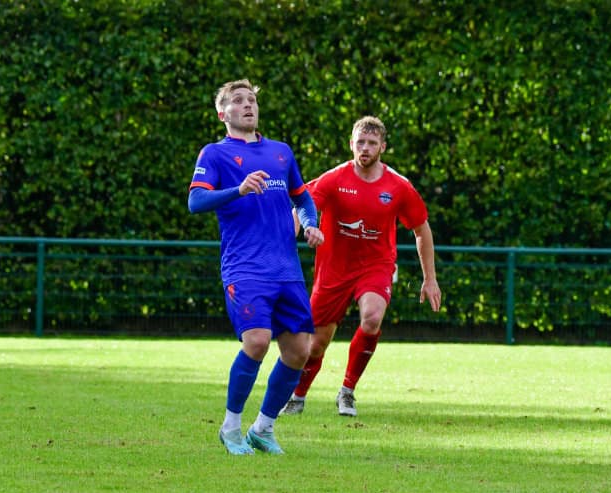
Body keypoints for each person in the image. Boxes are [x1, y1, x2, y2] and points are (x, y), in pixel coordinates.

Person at [188, 79, 325, 455]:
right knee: (258, 341)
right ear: (223, 113)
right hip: (244, 267)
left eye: (251, 99)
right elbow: (196, 202)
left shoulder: (281, 152)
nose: (247, 105)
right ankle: (230, 427)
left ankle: (263, 428)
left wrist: (310, 225)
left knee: (299, 351)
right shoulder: (214, 154)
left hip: (286, 269)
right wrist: (239, 189)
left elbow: (302, 198)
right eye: (237, 100)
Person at [281, 116, 441, 417]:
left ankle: (347, 391)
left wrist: (429, 279)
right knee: (315, 346)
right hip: (333, 270)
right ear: (351, 144)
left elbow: (422, 229)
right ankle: (298, 396)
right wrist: (300, 230)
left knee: (372, 317)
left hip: (375, 267)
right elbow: (302, 205)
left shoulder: (398, 186)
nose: (365, 148)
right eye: (360, 142)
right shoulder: (334, 179)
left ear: (383, 147)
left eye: (372, 143)